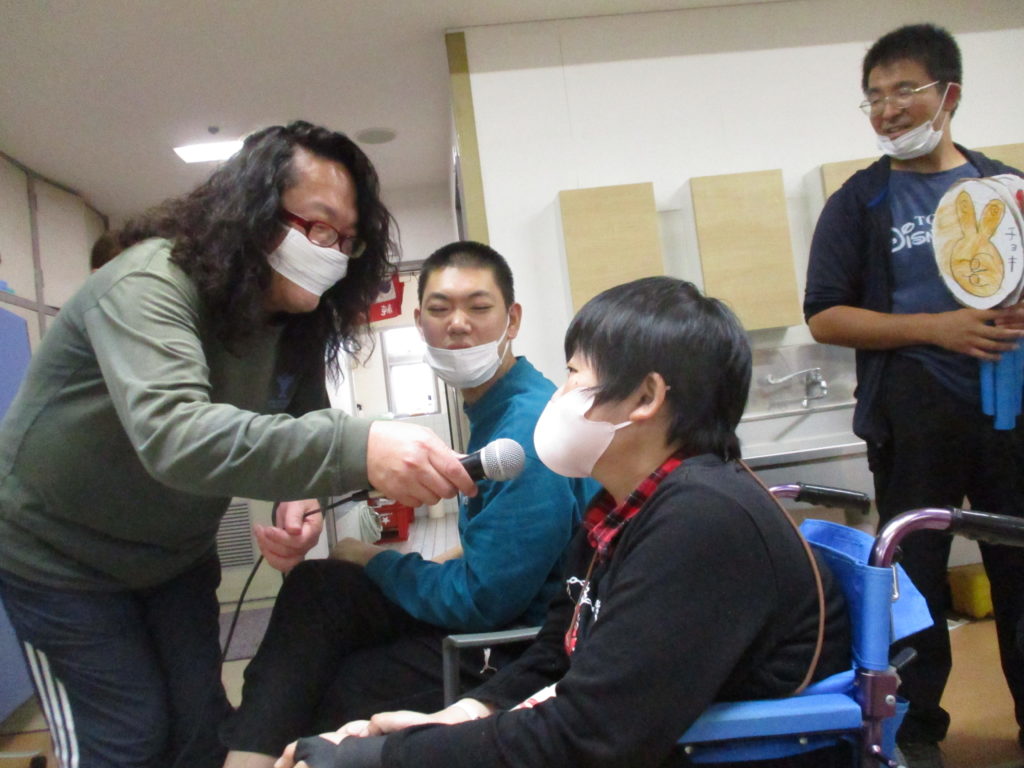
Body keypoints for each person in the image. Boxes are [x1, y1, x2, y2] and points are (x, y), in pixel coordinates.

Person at [0, 121, 478, 768]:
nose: (332, 252)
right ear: (251, 211)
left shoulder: (295, 320)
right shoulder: (147, 285)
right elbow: (177, 434)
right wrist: (362, 447)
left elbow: (301, 419)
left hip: (173, 558)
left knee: (201, 728)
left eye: (347, 239)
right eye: (318, 227)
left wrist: (296, 496)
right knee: (125, 737)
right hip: (59, 560)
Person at [278, 276, 853, 768]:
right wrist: (466, 712)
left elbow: (587, 736)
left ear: (645, 397)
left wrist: (384, 758)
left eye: (576, 374)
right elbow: (559, 651)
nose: (562, 394)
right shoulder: (622, 512)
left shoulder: (704, 521)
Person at [219, 241, 597, 768]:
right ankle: (250, 754)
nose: (458, 324)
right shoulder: (498, 405)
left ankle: (258, 752)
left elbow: (485, 602)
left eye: (479, 307)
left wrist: (375, 559)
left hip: (507, 646)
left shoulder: (524, 431)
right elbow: (501, 552)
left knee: (339, 682)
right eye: (440, 309)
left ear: (512, 319)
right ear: (419, 322)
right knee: (320, 587)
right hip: (498, 610)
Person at [803, 24, 1024, 768]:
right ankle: (915, 729)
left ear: (949, 94)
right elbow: (824, 314)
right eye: (874, 97)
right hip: (913, 419)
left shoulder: (1006, 189)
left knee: (1020, 573)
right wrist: (938, 328)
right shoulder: (860, 202)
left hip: (1009, 415)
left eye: (904, 90)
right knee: (913, 583)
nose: (887, 109)